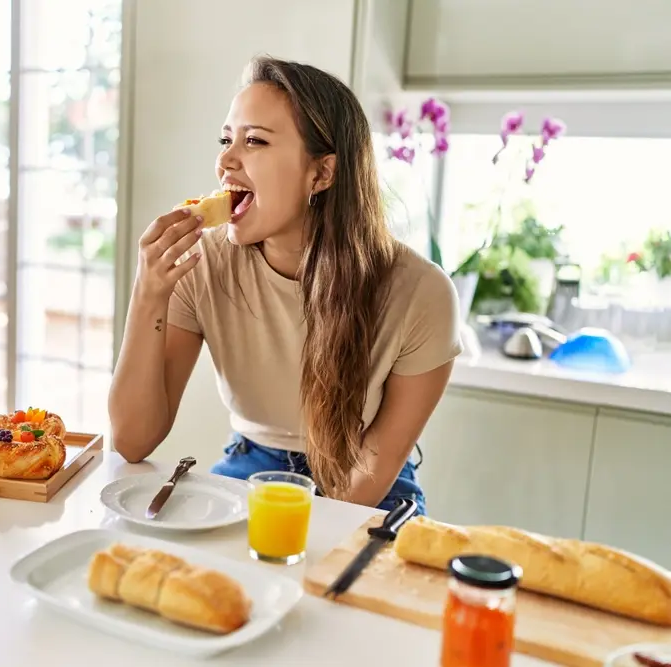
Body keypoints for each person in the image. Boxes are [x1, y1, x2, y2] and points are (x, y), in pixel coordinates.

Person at [107, 56, 462, 516]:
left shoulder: (421, 293)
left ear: (322, 173)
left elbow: (371, 472)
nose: (225, 160)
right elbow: (133, 441)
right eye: (226, 139)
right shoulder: (202, 262)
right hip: (249, 466)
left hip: (369, 482)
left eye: (254, 141)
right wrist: (148, 292)